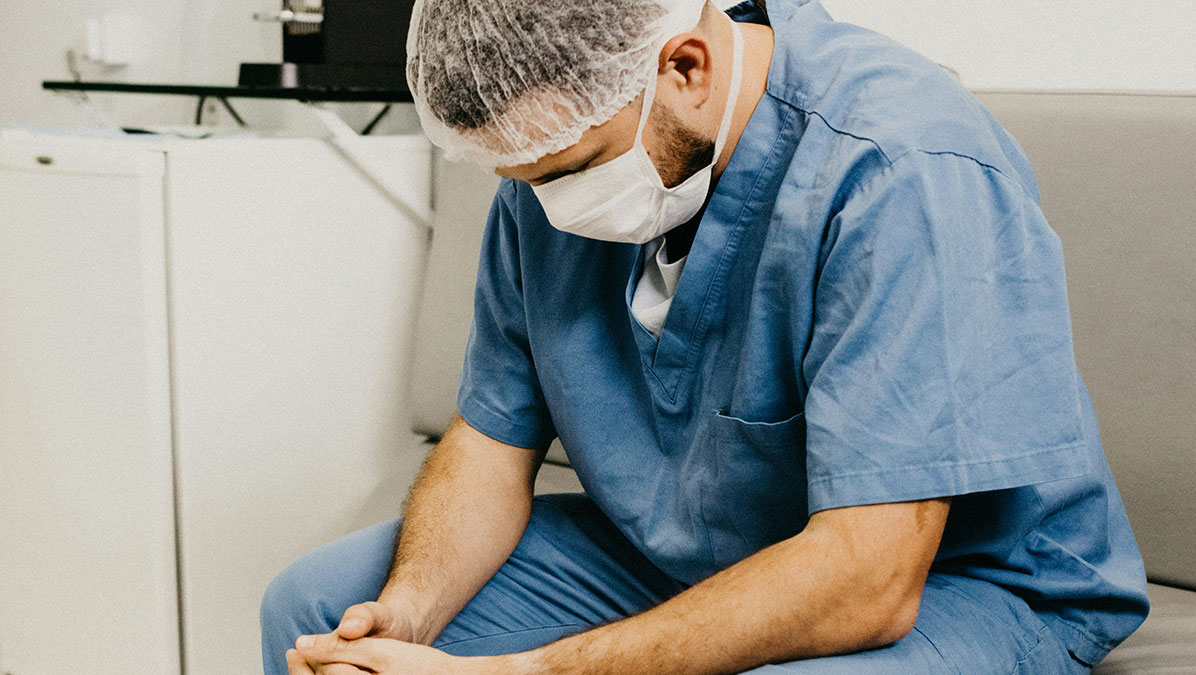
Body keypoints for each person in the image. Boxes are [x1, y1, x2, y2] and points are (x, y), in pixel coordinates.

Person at [262, 0, 1150, 672]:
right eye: (523, 180)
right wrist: (406, 616)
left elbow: (870, 577)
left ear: (685, 66)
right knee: (316, 606)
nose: (550, 206)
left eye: (568, 173)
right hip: (685, 547)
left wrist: (528, 671)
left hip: (966, 580)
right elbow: (492, 442)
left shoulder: (899, 168)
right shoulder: (559, 154)